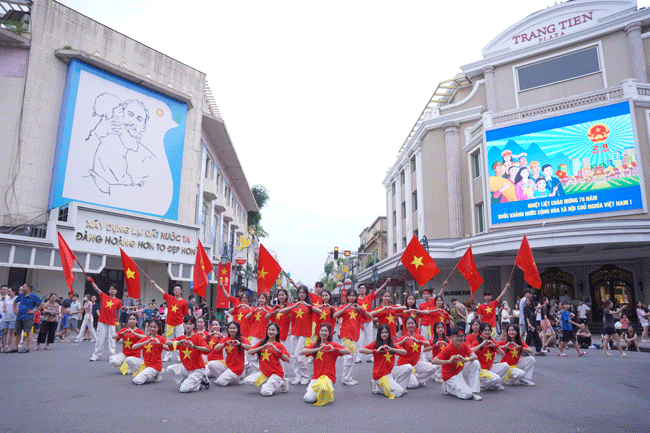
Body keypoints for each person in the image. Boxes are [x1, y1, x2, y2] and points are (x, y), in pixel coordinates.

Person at [278, 285, 322, 386]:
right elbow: (281, 311)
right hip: (294, 332)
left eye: (303, 293)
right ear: (298, 294)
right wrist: (294, 305)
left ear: (306, 294)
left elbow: (320, 312)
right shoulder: (294, 305)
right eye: (299, 293)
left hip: (304, 333)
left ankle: (305, 376)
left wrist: (307, 305)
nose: (301, 295)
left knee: (300, 355)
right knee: (293, 356)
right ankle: (298, 376)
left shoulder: (309, 306)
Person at [300, 323, 350, 406]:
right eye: (322, 331)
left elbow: (348, 351)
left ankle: (327, 392)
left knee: (322, 391)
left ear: (329, 333)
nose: (323, 333)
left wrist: (335, 349)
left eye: (325, 331)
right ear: (319, 332)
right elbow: (302, 352)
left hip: (328, 377)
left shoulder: (332, 345)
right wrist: (318, 349)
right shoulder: (315, 345)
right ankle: (318, 392)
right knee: (309, 399)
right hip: (316, 377)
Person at [333, 288, 374, 386]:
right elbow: (335, 315)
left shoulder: (358, 308)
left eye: (353, 295)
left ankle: (349, 377)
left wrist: (361, 309)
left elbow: (370, 316)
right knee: (348, 357)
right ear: (347, 297)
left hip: (355, 335)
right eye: (350, 295)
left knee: (353, 357)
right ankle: (345, 378)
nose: (351, 297)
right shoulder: (344, 306)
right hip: (346, 334)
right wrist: (345, 308)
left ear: (356, 297)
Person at [358, 324, 410, 399]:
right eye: (382, 333)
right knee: (399, 392)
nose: (384, 334)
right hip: (380, 375)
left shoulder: (391, 345)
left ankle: (397, 386)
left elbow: (404, 352)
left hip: (390, 372)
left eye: (386, 332)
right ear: (379, 334)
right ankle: (377, 388)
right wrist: (375, 351)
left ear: (389, 333)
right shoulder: (376, 344)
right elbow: (361, 350)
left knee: (408, 367)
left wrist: (391, 349)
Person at [431, 326, 482, 401]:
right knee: (467, 395)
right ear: (452, 337)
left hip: (460, 371)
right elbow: (433, 361)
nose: (459, 338)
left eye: (461, 336)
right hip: (450, 376)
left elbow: (474, 356)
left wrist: (465, 359)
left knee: (475, 362)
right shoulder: (448, 348)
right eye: (457, 336)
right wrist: (448, 361)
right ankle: (448, 388)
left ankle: (474, 391)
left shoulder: (464, 345)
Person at [166, 315, 211, 392]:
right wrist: (178, 342)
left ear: (194, 325)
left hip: (198, 369)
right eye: (186, 324)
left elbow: (208, 349)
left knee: (183, 389)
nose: (188, 326)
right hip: (186, 368)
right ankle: (189, 380)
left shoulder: (198, 337)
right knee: (169, 369)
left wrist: (194, 347)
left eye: (190, 324)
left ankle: (200, 384)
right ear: (183, 325)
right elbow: (166, 342)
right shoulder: (181, 338)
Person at [244, 322, 291, 396]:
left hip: (276, 373)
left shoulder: (279, 345)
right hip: (264, 373)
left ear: (277, 332)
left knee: (265, 393)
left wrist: (278, 351)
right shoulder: (262, 343)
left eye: (273, 330)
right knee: (247, 380)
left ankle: (282, 382)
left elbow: (288, 359)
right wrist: (261, 348)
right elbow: (250, 352)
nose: (271, 332)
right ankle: (269, 385)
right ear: (267, 331)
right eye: (269, 330)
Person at [149, 281, 188, 362]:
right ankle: (168, 356)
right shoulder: (170, 298)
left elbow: (185, 314)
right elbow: (161, 291)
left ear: (181, 291)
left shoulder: (184, 302)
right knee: (168, 340)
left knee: (179, 340)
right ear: (173, 291)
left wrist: (184, 324)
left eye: (178, 289)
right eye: (175, 289)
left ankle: (179, 356)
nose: (176, 291)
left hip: (179, 324)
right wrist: (154, 284)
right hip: (170, 324)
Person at [87, 278, 122, 361]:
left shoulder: (118, 301)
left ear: (116, 291)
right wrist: (92, 281)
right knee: (100, 338)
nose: (113, 290)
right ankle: (96, 355)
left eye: (114, 289)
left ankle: (112, 354)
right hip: (102, 321)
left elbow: (118, 312)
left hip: (112, 322)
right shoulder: (104, 296)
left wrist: (117, 322)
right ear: (109, 291)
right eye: (111, 289)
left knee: (112, 339)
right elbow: (96, 289)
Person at [396, 316, 435, 388]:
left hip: (415, 363)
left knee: (433, 368)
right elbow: (394, 346)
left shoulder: (419, 337)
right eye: (408, 324)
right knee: (414, 385)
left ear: (415, 324)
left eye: (412, 323)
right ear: (406, 326)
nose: (410, 325)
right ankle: (400, 379)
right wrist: (403, 341)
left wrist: (418, 341)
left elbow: (428, 343)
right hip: (405, 365)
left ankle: (418, 380)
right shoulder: (403, 337)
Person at [211, 321, 252, 386]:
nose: (232, 330)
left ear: (237, 329)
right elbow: (216, 348)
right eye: (230, 328)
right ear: (227, 329)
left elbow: (250, 348)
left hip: (237, 368)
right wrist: (225, 343)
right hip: (227, 365)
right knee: (211, 364)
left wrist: (240, 344)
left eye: (234, 328)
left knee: (220, 382)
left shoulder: (241, 338)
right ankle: (227, 377)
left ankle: (238, 377)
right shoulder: (227, 339)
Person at [131, 319, 167, 385]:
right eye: (150, 327)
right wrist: (145, 342)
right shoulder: (145, 338)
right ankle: (143, 373)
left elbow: (169, 348)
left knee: (137, 381)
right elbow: (133, 347)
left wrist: (160, 344)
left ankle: (157, 373)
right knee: (129, 360)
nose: (152, 329)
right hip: (145, 363)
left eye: (154, 327)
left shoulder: (161, 338)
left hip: (155, 366)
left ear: (158, 328)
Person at [470, 323, 506, 391]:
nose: (487, 332)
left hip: (489, 368)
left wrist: (495, 346)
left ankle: (492, 384)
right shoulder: (476, 341)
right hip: (480, 370)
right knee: (497, 378)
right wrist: (481, 345)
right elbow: (469, 352)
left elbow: (503, 354)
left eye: (489, 330)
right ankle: (481, 384)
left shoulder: (492, 341)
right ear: (480, 331)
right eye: (485, 330)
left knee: (506, 366)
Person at [12, 283, 44, 353]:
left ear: (28, 288)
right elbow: (15, 301)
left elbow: (42, 303)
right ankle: (15, 347)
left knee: (28, 331)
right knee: (17, 332)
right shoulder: (21, 295)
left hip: (28, 316)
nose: (22, 288)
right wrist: (15, 310)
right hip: (20, 316)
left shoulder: (34, 296)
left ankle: (27, 347)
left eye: (24, 287)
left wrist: (34, 310)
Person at [245, 292, 272, 373]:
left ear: (266, 300)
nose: (261, 300)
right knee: (251, 352)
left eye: (263, 298)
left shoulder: (268, 309)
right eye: (260, 298)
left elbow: (272, 315)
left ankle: (261, 370)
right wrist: (254, 311)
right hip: (254, 334)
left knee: (263, 354)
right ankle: (259, 369)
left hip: (264, 334)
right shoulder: (254, 309)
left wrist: (265, 310)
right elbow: (246, 317)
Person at [1, 286, 17, 352]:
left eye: (9, 291)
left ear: (14, 292)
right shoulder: (6, 299)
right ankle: (4, 346)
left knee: (11, 332)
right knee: (4, 332)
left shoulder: (16, 299)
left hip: (13, 318)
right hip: (5, 318)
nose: (7, 292)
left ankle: (9, 346)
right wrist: (4, 309)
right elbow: (4, 307)